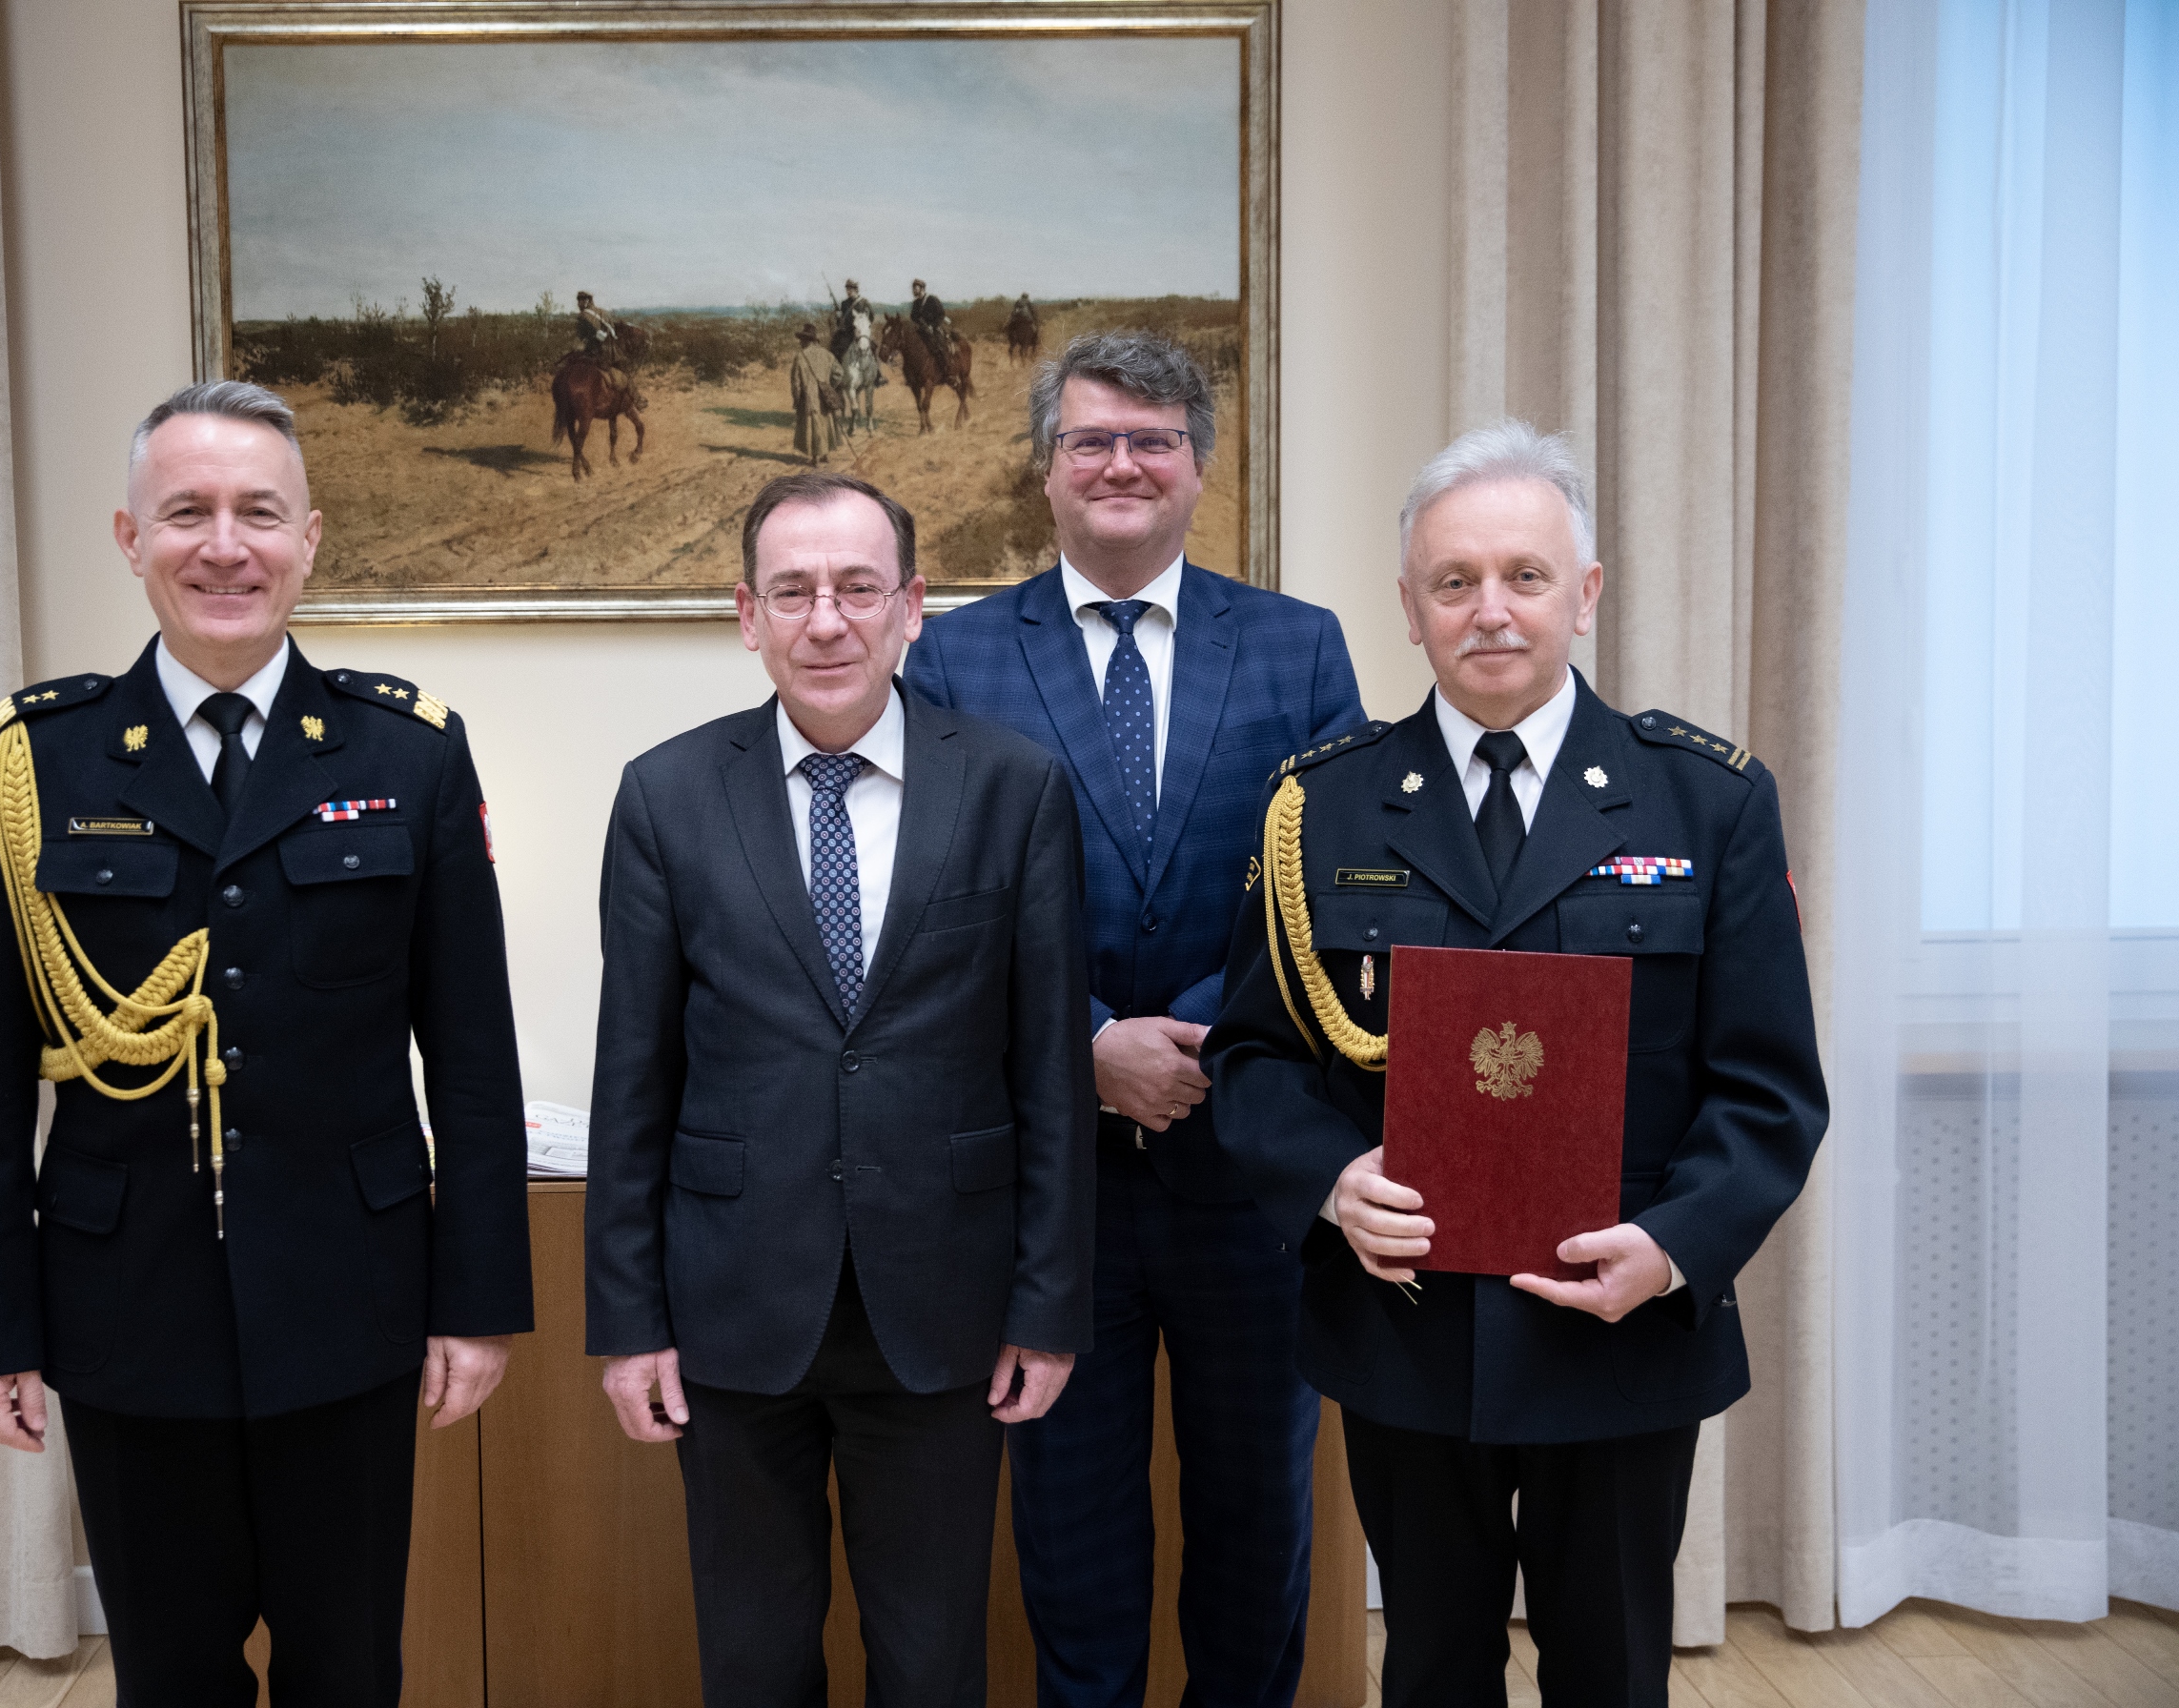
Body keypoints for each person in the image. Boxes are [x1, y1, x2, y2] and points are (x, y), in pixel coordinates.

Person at [1205, 420, 1827, 1707]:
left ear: (1583, 595)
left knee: (1612, 1670)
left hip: (1621, 1330)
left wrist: (1672, 1248)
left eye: (1525, 576)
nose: (1490, 609)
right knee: (1433, 1667)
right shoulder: (1315, 807)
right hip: (1406, 1329)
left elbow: (1768, 1089)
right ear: (1410, 609)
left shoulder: (1709, 801)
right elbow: (1255, 1058)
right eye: (1455, 581)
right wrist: (1332, 1184)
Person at [0, 380, 531, 1707]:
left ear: (308, 538)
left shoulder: (410, 752)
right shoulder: (34, 763)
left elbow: (473, 1065)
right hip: (125, 1308)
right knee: (168, 1677)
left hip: (351, 1300)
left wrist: (477, 1303)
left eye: (259, 512)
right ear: (129, 537)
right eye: (186, 512)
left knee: (348, 1672)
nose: (224, 546)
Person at [906, 332, 1366, 1708]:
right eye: (1092, 439)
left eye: (1153, 440)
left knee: (1258, 1540)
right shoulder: (954, 657)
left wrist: (1213, 1040)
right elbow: (935, 907)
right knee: (1076, 1554)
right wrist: (1090, 1045)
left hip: (1252, 1182)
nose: (1122, 463)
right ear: (1047, 469)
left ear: (1198, 466)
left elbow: (1341, 886)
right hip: (1054, 1196)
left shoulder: (1295, 645)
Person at [586, 471, 1096, 1707]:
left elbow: (1049, 1074)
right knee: (754, 1663)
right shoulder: (665, 795)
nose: (827, 620)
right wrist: (629, 1322)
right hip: (734, 1306)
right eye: (794, 591)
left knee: (931, 1664)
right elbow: (634, 1079)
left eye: (859, 588)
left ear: (911, 608)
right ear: (747, 615)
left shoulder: (1015, 789)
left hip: (944, 1307)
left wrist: (1048, 1306)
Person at [789, 322, 844, 465]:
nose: (800, 342)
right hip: (825, 397)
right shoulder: (827, 355)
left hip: (809, 398)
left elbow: (795, 382)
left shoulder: (800, 357)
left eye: (802, 339)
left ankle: (815, 458)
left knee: (813, 426)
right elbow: (839, 373)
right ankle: (825, 455)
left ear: (807, 340)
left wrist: (797, 399)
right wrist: (828, 386)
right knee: (825, 422)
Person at [831, 278, 875, 359]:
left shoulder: (864, 303)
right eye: (847, 289)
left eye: (850, 289)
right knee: (836, 347)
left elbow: (871, 317)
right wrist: (838, 316)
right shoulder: (844, 303)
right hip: (848, 333)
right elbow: (839, 323)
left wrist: (864, 327)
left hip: (861, 332)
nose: (848, 292)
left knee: (873, 348)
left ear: (856, 289)